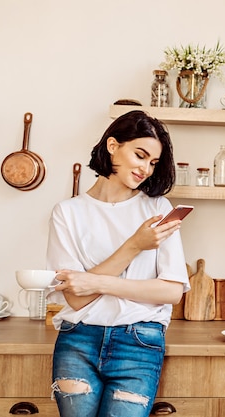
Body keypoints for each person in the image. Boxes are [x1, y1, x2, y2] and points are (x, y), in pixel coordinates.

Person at [46, 110, 190, 417]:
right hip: (78, 340)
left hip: (139, 342)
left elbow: (171, 292)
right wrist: (134, 245)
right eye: (140, 155)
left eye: (153, 163)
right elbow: (74, 296)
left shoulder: (157, 209)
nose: (146, 169)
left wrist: (96, 282)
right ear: (113, 145)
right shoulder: (67, 212)